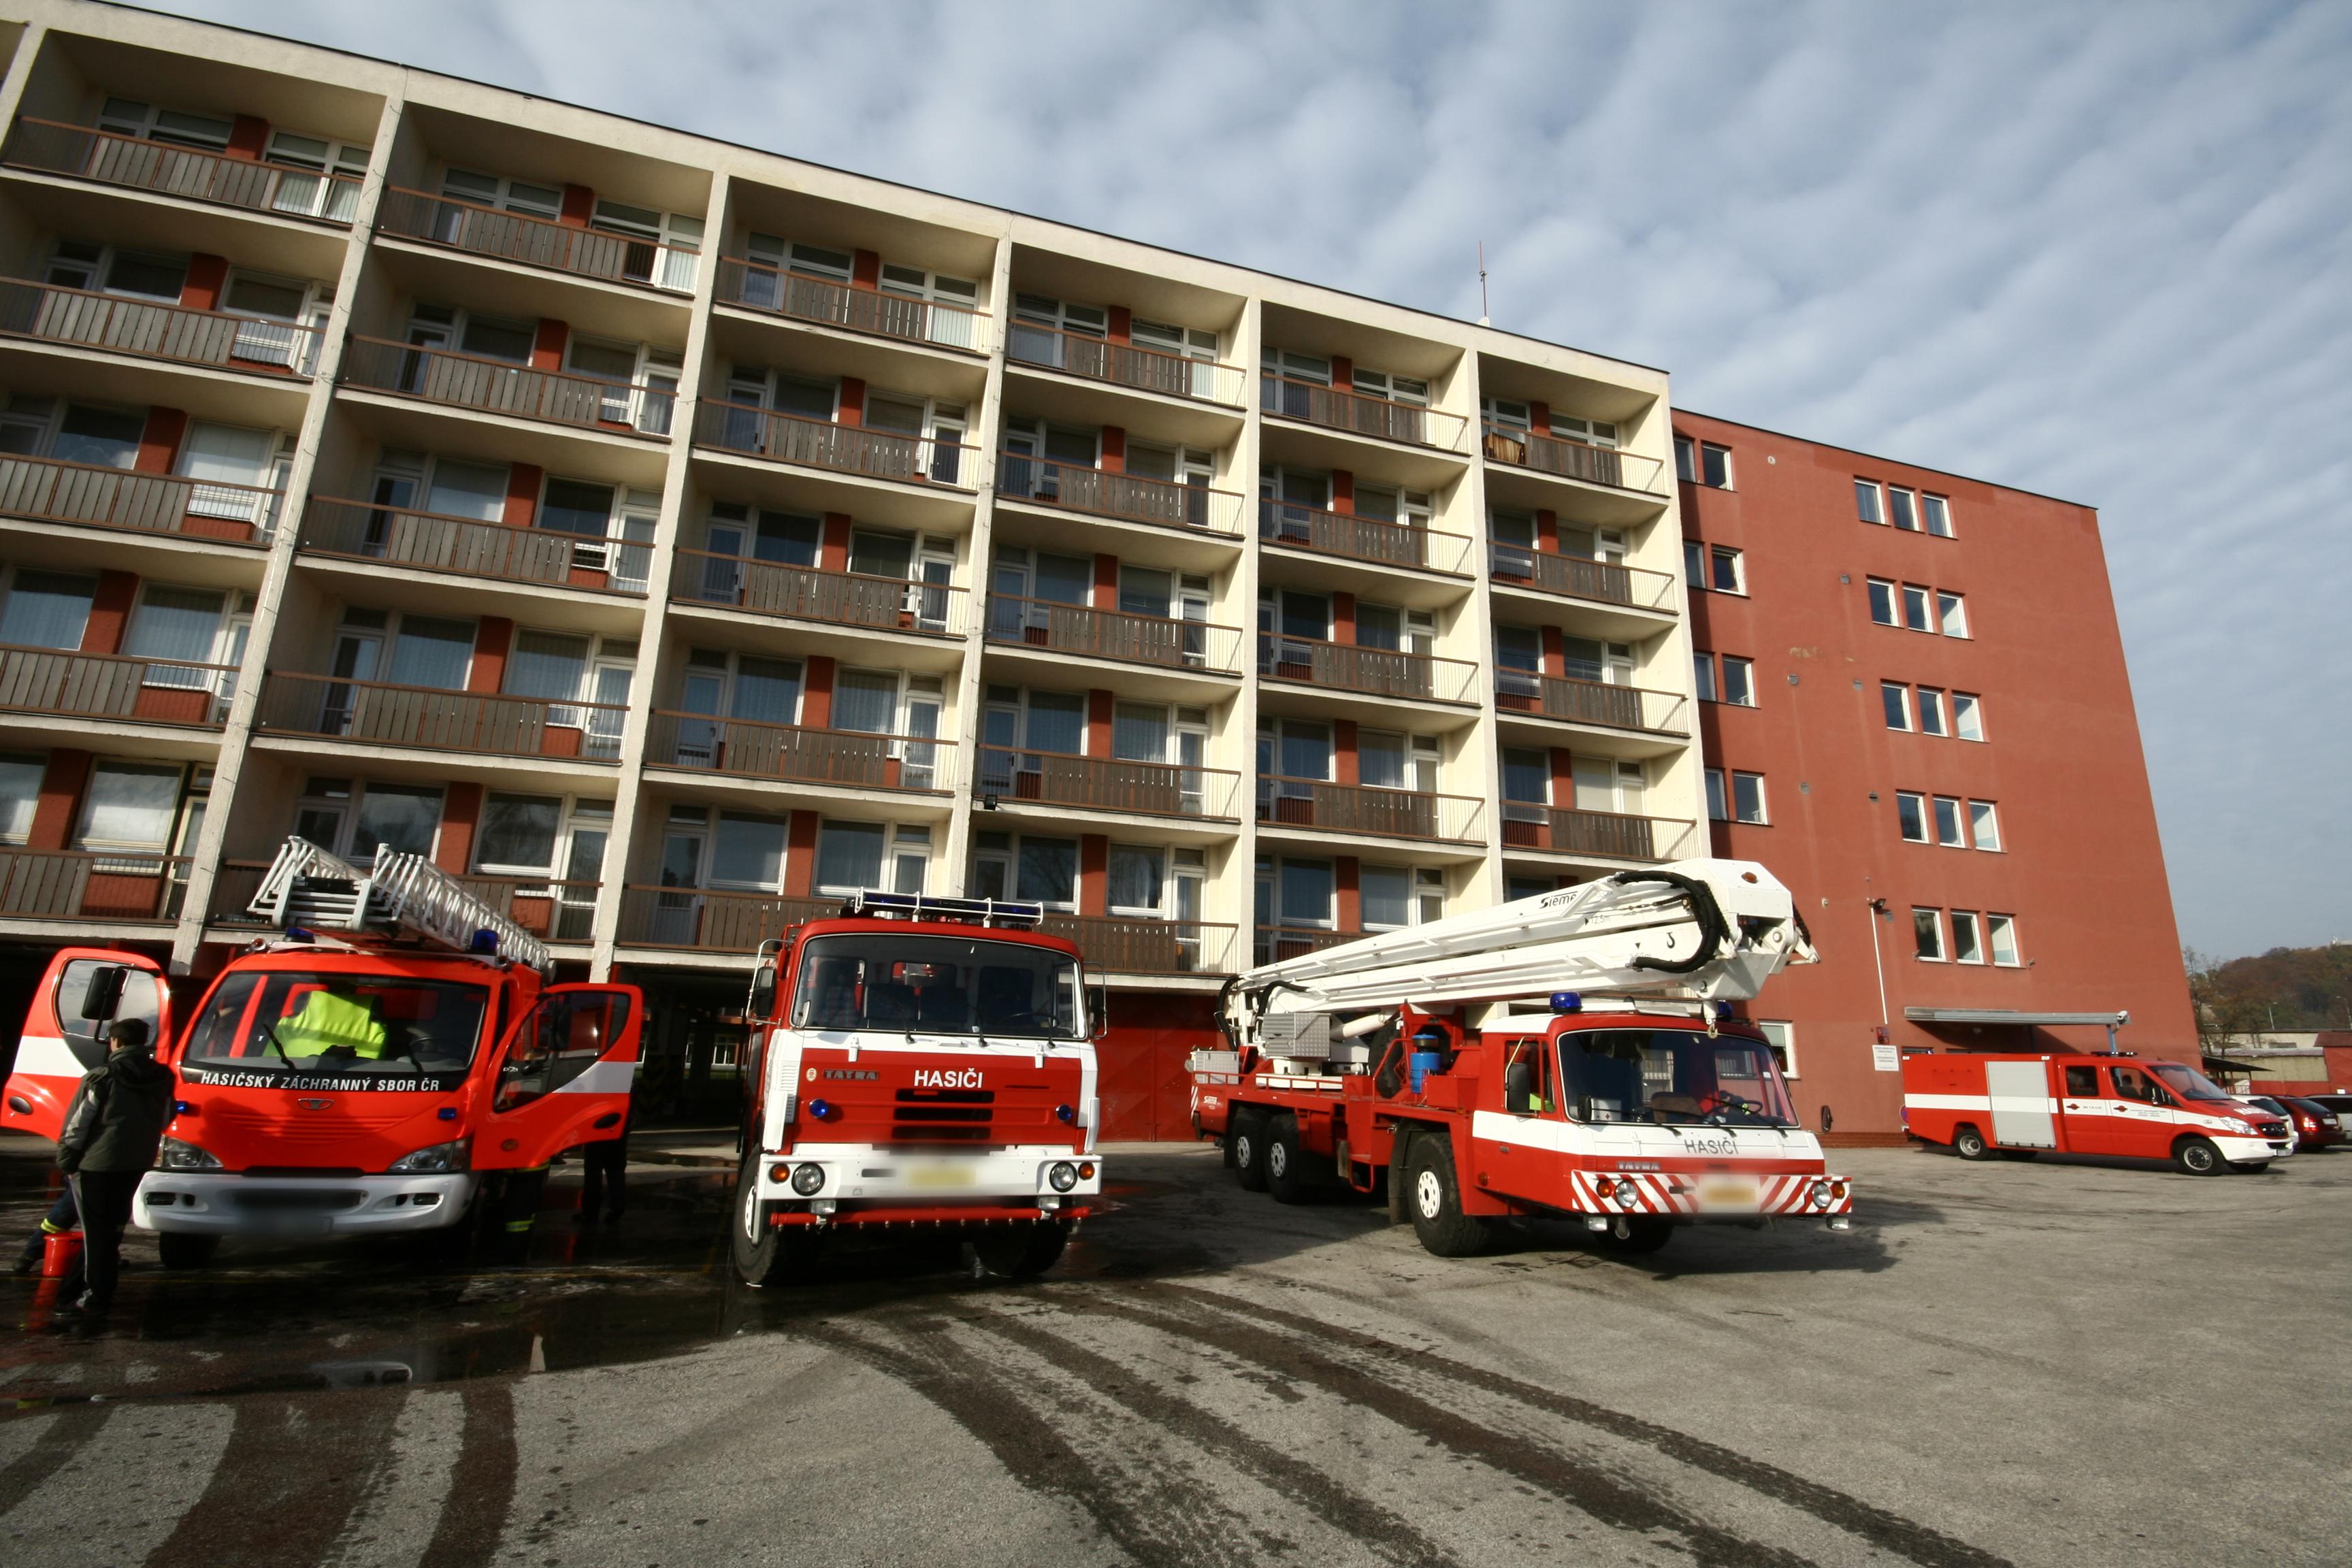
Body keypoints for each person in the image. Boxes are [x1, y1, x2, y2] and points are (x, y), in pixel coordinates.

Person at [52, 1017, 175, 1326]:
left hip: (98, 1164)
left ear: (115, 1042)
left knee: (97, 1235)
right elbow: (165, 1117)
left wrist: (67, 1160)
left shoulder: (101, 1077)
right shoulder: (162, 1076)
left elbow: (77, 1126)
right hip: (137, 1163)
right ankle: (70, 1293)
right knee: (111, 1232)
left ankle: (95, 1298)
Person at [578, 1082, 635, 1226]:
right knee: (616, 1171)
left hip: (598, 1133)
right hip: (619, 1133)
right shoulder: (628, 1082)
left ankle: (590, 1212)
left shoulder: (598, 1082)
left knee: (593, 1173)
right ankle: (617, 1206)